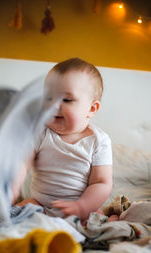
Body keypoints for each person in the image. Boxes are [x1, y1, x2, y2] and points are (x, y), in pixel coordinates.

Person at [14, 57, 113, 222]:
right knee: (15, 212)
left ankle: (110, 220)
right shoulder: (40, 132)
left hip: (81, 208)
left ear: (91, 108)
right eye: (48, 98)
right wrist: (12, 186)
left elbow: (101, 183)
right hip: (42, 205)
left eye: (66, 99)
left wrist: (81, 207)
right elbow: (21, 164)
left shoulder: (99, 141)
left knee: (99, 222)